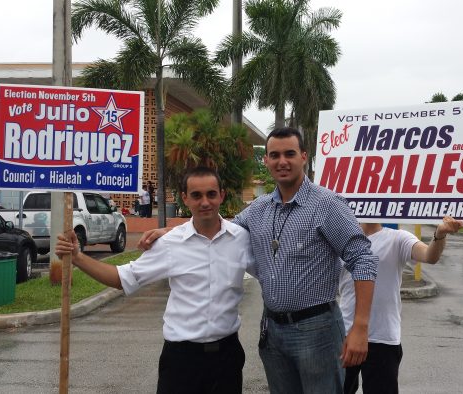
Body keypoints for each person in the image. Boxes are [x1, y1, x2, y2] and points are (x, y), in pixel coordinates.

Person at [139, 128, 379, 394]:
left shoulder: (328, 205)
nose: (282, 161)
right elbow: (217, 227)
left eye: (289, 153)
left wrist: (360, 327)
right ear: (265, 160)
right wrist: (169, 231)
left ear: (303, 156)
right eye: (274, 155)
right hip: (273, 333)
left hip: (317, 331)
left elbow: (363, 260)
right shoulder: (259, 209)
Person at [55, 167, 254, 394]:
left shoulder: (240, 239)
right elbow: (122, 278)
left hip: (227, 359)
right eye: (197, 195)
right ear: (185, 198)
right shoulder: (170, 244)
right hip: (182, 361)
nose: (205, 202)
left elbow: (270, 270)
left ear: (222, 195)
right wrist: (78, 258)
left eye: (211, 194)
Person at [339, 217, 463, 394]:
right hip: (345, 333)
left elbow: (430, 256)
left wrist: (440, 234)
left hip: (383, 338)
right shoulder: (341, 240)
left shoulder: (397, 238)